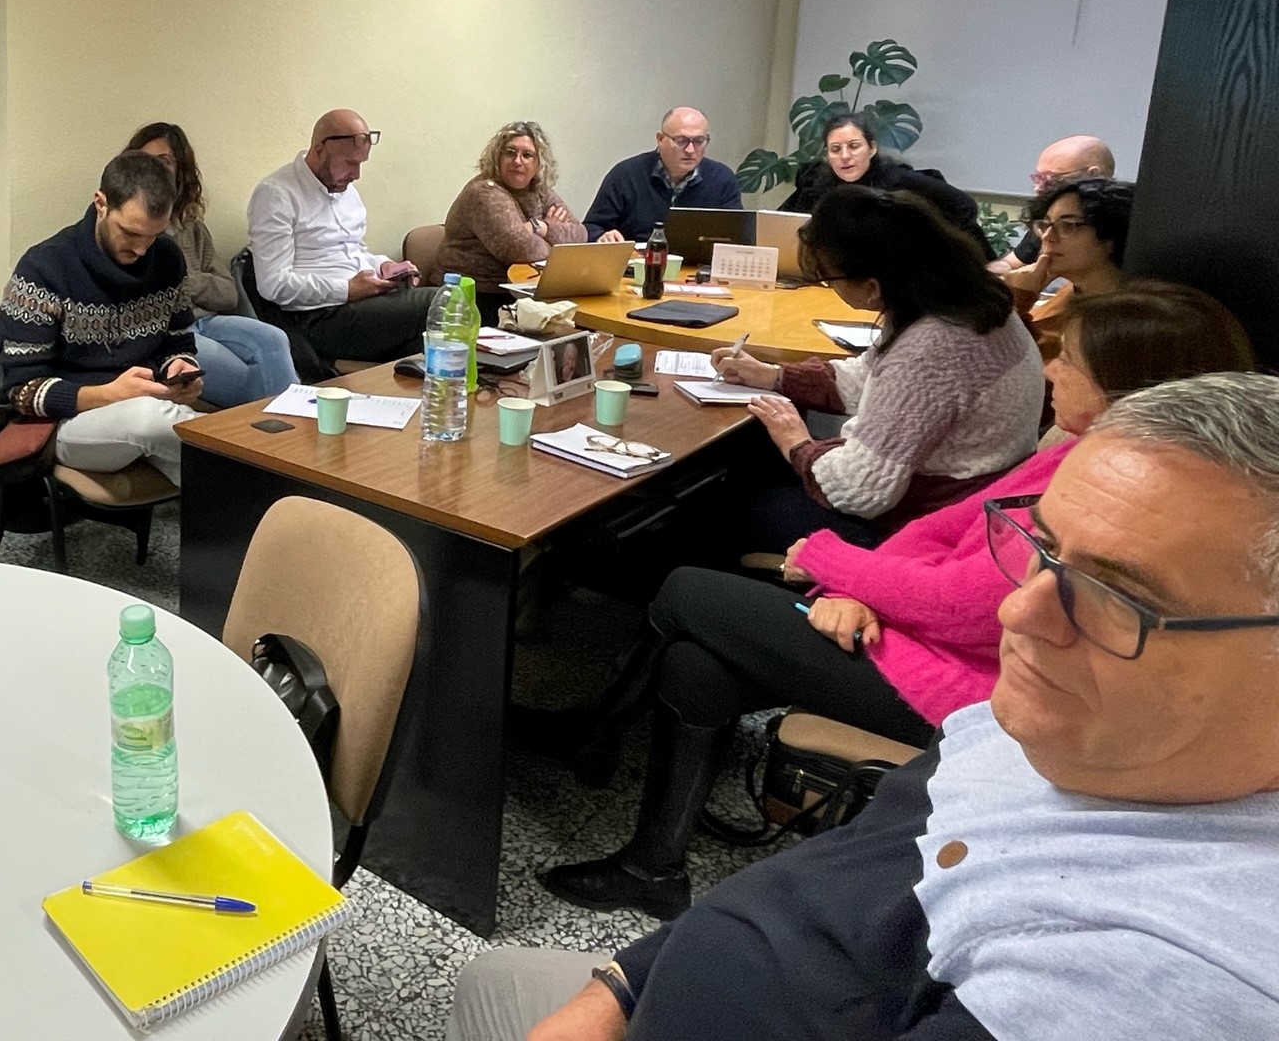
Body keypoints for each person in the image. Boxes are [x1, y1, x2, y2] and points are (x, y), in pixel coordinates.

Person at [451, 371, 1279, 1041]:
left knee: (688, 591)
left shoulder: (1162, 981)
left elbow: (934, 572)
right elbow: (827, 878)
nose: (1019, 612)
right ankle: (649, 851)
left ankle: (598, 751)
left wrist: (851, 584)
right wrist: (623, 986)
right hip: (664, 989)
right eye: (1041, 549)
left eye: (1113, 596)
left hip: (884, 611)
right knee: (698, 660)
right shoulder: (1065, 729)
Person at [534, 282, 1256, 919]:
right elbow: (934, 535)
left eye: (1072, 360)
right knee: (697, 662)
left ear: (1127, 390)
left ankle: (592, 735)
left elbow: (971, 607)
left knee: (689, 590)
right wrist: (859, 587)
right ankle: (650, 867)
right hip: (909, 633)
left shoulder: (1111, 492)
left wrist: (827, 561)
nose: (1054, 369)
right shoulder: (1071, 448)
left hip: (958, 692)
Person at [712, 186, 1041, 544]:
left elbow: (858, 492)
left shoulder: (933, 347)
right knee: (755, 457)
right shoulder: (963, 303)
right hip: (972, 500)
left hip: (928, 526)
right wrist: (774, 376)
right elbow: (873, 377)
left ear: (872, 287)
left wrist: (796, 440)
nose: (827, 283)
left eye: (830, 276)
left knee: (728, 503)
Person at [1, 150, 203, 484]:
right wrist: (111, 393)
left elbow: (177, 340)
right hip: (69, 422)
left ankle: (250, 528)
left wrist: (180, 366)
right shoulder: (43, 269)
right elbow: (23, 391)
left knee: (210, 474)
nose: (141, 250)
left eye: (153, 236)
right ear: (101, 204)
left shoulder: (167, 259)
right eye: (130, 233)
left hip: (150, 405)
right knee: (155, 422)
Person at [245, 110, 440, 365]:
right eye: (350, 163)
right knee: (443, 301)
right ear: (318, 150)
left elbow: (354, 251)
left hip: (363, 305)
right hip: (321, 317)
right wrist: (346, 290)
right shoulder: (276, 195)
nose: (356, 174)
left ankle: (409, 393)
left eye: (361, 163)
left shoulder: (346, 191)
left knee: (426, 342)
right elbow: (274, 284)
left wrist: (383, 265)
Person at [127, 123, 299, 407]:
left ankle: (292, 421)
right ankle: (292, 427)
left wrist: (184, 279)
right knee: (250, 379)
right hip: (170, 334)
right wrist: (191, 282)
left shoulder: (190, 226)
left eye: (163, 161)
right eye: (143, 160)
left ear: (179, 171)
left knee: (274, 339)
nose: (151, 169)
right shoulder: (130, 227)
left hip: (208, 321)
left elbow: (227, 294)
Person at [777, 110, 988, 257]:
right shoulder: (815, 183)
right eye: (835, 149)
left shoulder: (899, 181)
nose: (845, 156)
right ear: (827, 155)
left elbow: (965, 206)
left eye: (854, 146)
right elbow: (781, 224)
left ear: (872, 148)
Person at [437, 121, 589, 324]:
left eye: (527, 155)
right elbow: (520, 248)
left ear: (538, 164)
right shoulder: (484, 192)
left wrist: (540, 227)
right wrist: (551, 239)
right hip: (473, 298)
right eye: (510, 153)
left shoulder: (538, 189)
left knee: (576, 321)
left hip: (521, 292)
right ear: (497, 157)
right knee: (567, 326)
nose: (518, 161)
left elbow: (580, 235)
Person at [1000, 176, 1134, 361]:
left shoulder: (1129, 317)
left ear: (1110, 237)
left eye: (1067, 225)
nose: (1048, 237)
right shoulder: (1073, 293)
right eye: (1046, 225)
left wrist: (1016, 298)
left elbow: (1006, 360)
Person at [583, 107, 741, 243]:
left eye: (699, 141)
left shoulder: (722, 179)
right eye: (681, 140)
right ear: (660, 139)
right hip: (636, 268)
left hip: (697, 270)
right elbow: (591, 227)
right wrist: (603, 236)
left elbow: (736, 235)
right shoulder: (626, 174)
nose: (690, 150)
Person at [991, 135, 1115, 272]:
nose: (1038, 188)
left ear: (1094, 176)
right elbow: (1012, 263)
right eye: (1038, 178)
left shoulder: (1123, 223)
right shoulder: (1050, 217)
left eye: (1051, 179)